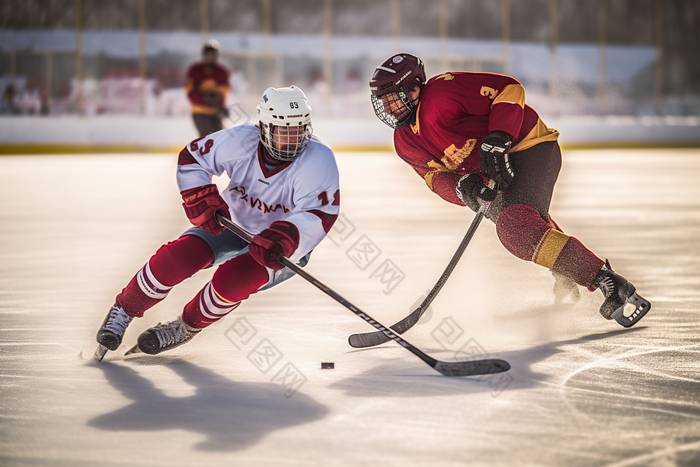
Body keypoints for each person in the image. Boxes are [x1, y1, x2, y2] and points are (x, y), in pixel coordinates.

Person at [368, 53, 650, 327]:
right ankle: (569, 269)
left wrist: (500, 135)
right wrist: (463, 188)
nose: (389, 109)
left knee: (516, 227)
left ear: (414, 88)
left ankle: (609, 282)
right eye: (383, 102)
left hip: (528, 149)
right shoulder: (404, 142)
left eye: (392, 99)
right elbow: (433, 177)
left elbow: (508, 89)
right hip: (492, 175)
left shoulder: (443, 91)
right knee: (523, 224)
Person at [96, 85, 340, 357]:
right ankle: (124, 309)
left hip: (282, 246)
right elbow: (192, 157)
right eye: (284, 131)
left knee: (233, 281)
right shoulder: (240, 141)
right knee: (177, 258)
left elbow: (319, 214)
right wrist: (200, 196)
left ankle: (184, 327)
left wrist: (285, 238)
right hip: (232, 223)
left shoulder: (319, 159)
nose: (293, 140)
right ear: (264, 127)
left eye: (299, 130)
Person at [185, 39, 231, 137]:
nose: (210, 58)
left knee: (220, 137)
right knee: (206, 138)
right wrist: (204, 99)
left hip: (215, 111)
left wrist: (220, 103)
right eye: (208, 55)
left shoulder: (222, 72)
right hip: (199, 111)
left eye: (212, 55)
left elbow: (224, 92)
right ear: (204, 55)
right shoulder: (194, 70)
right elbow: (189, 92)